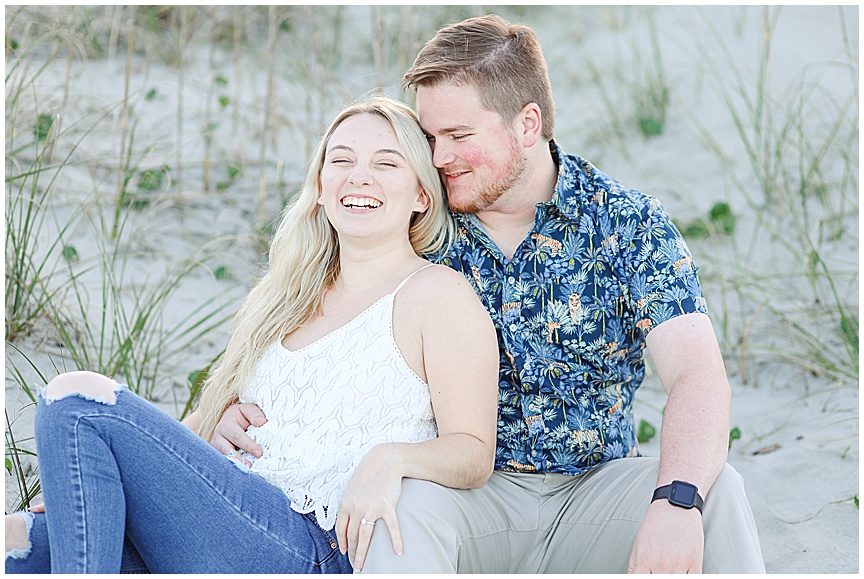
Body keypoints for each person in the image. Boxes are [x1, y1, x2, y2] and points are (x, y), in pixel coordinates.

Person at [214, 14, 766, 574]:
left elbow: (697, 374)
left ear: (528, 125)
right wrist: (247, 408)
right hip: (462, 496)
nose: (439, 157)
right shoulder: (420, 228)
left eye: (458, 136)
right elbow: (337, 328)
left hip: (594, 492)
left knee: (715, 491)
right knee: (402, 507)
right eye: (429, 139)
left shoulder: (625, 224)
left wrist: (676, 503)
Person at [4, 95, 499, 574]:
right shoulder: (284, 297)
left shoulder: (437, 296)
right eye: (341, 160)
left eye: (386, 164)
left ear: (421, 195)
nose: (359, 176)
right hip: (219, 525)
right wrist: (89, 482)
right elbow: (195, 427)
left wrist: (393, 458)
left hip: (309, 548)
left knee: (75, 399)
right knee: (13, 543)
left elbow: (474, 451)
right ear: (322, 187)